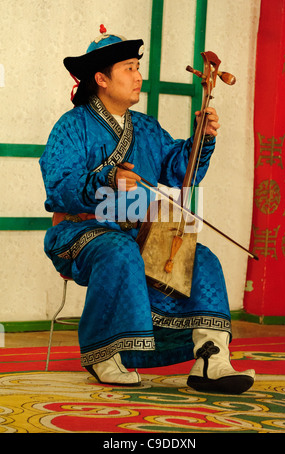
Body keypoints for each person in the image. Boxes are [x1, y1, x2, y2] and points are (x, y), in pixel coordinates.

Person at [39, 26, 255, 394]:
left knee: (199, 257)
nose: (139, 76)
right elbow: (58, 187)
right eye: (129, 68)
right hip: (78, 233)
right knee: (119, 250)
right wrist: (106, 179)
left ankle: (211, 356)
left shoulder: (146, 128)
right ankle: (105, 353)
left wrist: (201, 139)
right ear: (101, 79)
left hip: (137, 232)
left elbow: (178, 170)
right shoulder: (71, 127)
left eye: (138, 67)